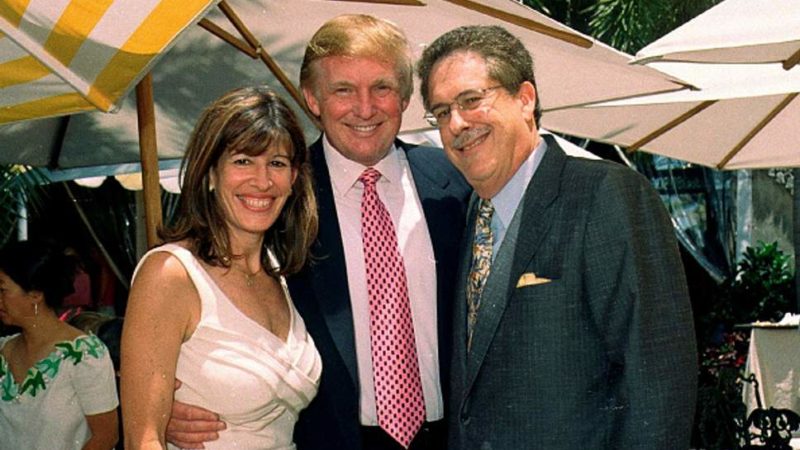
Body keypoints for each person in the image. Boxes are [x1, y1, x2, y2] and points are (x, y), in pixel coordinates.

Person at [165, 14, 471, 450]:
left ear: (404, 96)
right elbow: (203, 293)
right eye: (343, 90)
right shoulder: (275, 193)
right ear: (312, 98)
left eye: (381, 87)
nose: (364, 108)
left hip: (447, 440)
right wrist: (168, 403)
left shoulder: (454, 187)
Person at [416, 25, 698, 449]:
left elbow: (657, 379)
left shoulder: (605, 196)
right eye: (441, 112)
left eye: (472, 100)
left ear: (525, 98)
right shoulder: (471, 213)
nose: (456, 123)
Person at [120, 85, 321, 449]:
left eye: (276, 163)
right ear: (210, 172)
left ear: (293, 179)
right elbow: (143, 438)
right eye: (243, 160)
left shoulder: (280, 275)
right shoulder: (171, 274)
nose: (262, 181)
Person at [0, 239, 119, 450]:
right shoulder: (3, 350)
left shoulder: (84, 356)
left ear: (35, 294)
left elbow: (106, 437)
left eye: (2, 290)